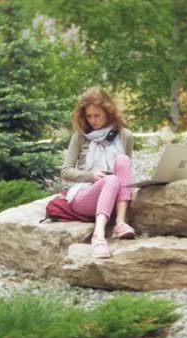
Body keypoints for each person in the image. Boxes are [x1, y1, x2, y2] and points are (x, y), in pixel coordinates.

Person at [61, 86, 135, 258]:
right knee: (111, 180)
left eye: (97, 115)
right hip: (85, 194)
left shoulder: (125, 135)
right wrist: (90, 175)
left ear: (108, 113)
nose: (92, 120)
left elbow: (126, 174)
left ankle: (120, 223)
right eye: (88, 116)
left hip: (115, 196)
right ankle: (98, 236)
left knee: (123, 162)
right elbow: (65, 171)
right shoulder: (80, 136)